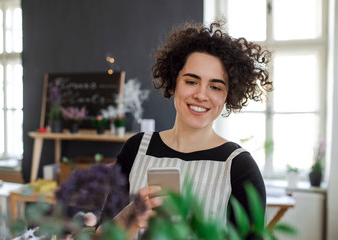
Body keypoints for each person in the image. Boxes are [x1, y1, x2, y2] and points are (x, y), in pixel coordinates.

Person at [97, 20, 273, 239]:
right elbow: (100, 235)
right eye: (191, 81)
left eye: (215, 87)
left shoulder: (239, 167)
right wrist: (130, 216)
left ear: (228, 96)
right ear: (173, 83)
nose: (201, 95)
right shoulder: (136, 149)